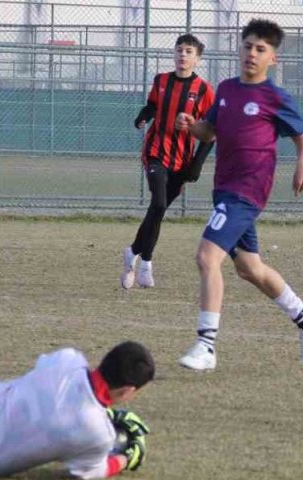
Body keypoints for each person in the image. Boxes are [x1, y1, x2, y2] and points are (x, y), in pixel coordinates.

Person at [173, 19, 303, 372]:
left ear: (273, 58)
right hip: (224, 188)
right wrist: (191, 125)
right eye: (248, 47)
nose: (252, 54)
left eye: (261, 49)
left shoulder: (275, 98)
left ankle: (206, 346)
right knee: (249, 268)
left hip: (248, 189)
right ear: (239, 49)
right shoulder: (226, 90)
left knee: (207, 257)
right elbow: (209, 132)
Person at [0, 323, 155, 480]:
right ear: (127, 390)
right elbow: (96, 470)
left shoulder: (67, 359)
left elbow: (51, 395)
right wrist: (127, 458)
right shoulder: (99, 436)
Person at [122, 34, 216, 289]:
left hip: (182, 161)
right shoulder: (161, 80)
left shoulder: (204, 90)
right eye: (179, 50)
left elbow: (211, 132)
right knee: (159, 202)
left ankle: (132, 251)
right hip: (156, 151)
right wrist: (143, 115)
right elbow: (153, 105)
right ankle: (146, 264)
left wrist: (197, 164)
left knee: (158, 210)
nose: (182, 54)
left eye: (188, 51)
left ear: (197, 59)